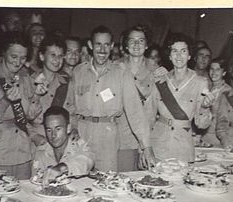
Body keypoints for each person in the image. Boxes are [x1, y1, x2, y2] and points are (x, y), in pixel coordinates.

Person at [66, 25, 155, 172]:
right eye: (98, 44)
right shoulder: (79, 72)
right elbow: (69, 106)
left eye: (106, 45)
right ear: (90, 45)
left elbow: (135, 112)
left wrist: (146, 146)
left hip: (108, 138)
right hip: (81, 135)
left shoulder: (121, 74)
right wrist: (73, 127)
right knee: (78, 181)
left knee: (107, 183)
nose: (102, 50)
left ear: (112, 46)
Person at [0, 32, 43, 179]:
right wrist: (6, 100)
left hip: (24, 152)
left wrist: (37, 95)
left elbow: (29, 116)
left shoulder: (25, 77)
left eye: (23, 58)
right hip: (0, 152)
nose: (18, 62)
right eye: (13, 56)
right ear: (3, 53)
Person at [149, 33, 213, 163]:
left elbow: (202, 124)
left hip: (183, 147)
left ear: (189, 56)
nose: (179, 56)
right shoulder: (160, 80)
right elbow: (148, 115)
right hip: (158, 144)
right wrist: (144, 148)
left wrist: (205, 107)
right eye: (174, 51)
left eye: (183, 51)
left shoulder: (200, 82)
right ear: (169, 56)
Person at [116, 25, 166, 172]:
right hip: (122, 135)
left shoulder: (156, 70)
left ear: (146, 45)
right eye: (132, 41)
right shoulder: (115, 68)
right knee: (123, 178)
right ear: (125, 44)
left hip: (148, 135)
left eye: (141, 40)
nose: (136, 45)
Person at [30, 35, 73, 146]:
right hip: (36, 141)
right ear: (42, 56)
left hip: (61, 141)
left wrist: (74, 129)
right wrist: (33, 135)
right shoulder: (29, 82)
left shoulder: (66, 83)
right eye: (53, 55)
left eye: (60, 56)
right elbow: (20, 119)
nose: (57, 60)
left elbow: (72, 112)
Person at [33, 106, 94, 185]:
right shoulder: (41, 151)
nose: (53, 135)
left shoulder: (80, 146)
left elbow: (87, 161)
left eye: (58, 129)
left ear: (68, 128)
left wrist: (61, 168)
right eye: (49, 130)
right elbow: (35, 182)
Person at [201, 58, 231, 146]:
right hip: (204, 136)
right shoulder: (207, 88)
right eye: (212, 69)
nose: (214, 72)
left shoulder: (228, 91)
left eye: (218, 69)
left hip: (217, 138)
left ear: (224, 73)